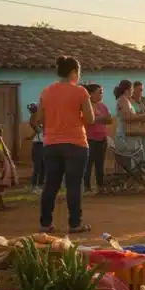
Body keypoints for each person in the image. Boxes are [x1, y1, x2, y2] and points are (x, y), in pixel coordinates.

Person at [38, 56, 95, 233]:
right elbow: (90, 119)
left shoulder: (46, 91)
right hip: (76, 143)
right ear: (73, 72)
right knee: (73, 184)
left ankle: (45, 223)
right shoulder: (80, 92)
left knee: (51, 184)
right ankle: (75, 224)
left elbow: (40, 119)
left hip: (51, 143)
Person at [113, 80, 145, 157]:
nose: (132, 91)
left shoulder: (129, 99)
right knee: (129, 162)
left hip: (131, 135)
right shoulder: (124, 100)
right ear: (127, 90)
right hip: (125, 136)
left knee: (137, 159)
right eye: (132, 89)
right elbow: (128, 117)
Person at [84, 84, 113, 194]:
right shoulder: (87, 106)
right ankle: (87, 187)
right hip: (89, 139)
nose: (101, 94)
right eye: (99, 92)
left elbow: (109, 120)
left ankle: (100, 187)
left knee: (100, 164)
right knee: (88, 163)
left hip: (102, 138)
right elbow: (88, 120)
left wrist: (98, 119)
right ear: (91, 94)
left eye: (102, 92)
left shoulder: (103, 106)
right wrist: (101, 119)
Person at [26, 102, 44, 194]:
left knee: (43, 166)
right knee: (37, 166)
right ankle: (34, 186)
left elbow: (38, 130)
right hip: (38, 144)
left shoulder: (42, 119)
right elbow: (37, 129)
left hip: (44, 144)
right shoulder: (34, 118)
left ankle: (40, 185)